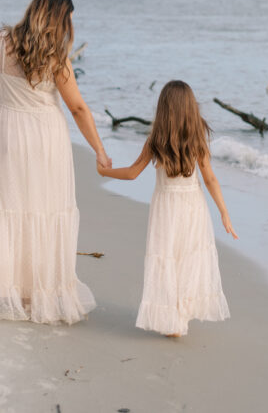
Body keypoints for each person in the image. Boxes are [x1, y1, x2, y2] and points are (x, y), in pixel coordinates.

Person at [0, 0, 110, 324]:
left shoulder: (1, 40)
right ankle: (35, 289)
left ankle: (5, 286)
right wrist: (99, 150)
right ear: (58, 19)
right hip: (46, 137)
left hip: (9, 132)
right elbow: (77, 107)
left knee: (8, 204)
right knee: (42, 207)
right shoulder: (56, 54)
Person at [96, 80, 237, 337]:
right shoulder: (197, 139)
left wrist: (104, 170)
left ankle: (173, 318)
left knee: (167, 257)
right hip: (193, 207)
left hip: (166, 208)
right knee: (188, 257)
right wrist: (224, 212)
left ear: (163, 109)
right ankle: (180, 314)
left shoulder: (156, 140)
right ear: (191, 109)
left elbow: (131, 174)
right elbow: (210, 179)